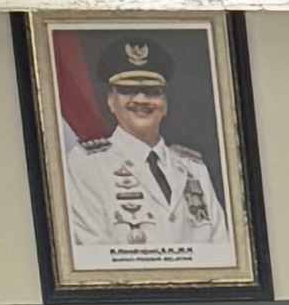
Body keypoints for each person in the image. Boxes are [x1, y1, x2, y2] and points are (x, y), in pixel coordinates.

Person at [60, 42, 235, 274]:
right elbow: (93, 251)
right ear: (111, 101)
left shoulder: (193, 167)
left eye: (153, 92)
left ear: (165, 104)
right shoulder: (87, 164)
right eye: (128, 90)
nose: (142, 100)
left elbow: (220, 247)